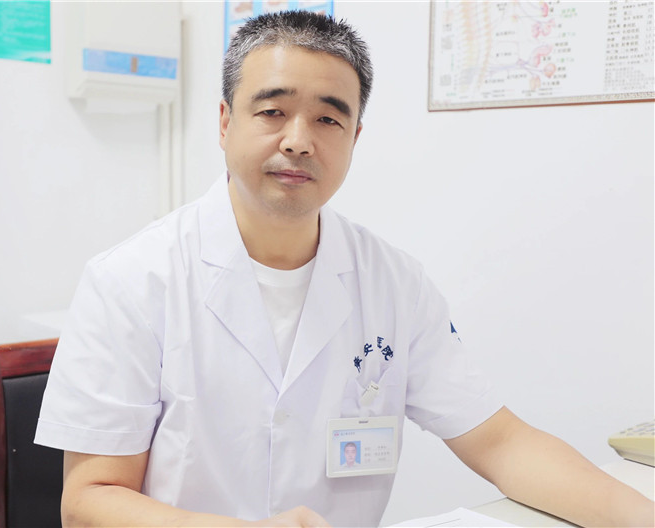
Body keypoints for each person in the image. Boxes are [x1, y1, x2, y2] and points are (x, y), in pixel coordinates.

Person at [35, 10, 654, 528]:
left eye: (328, 118)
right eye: (272, 111)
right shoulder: (130, 281)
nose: (298, 140)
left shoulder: (395, 284)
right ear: (225, 123)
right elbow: (88, 502)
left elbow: (502, 443)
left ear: (355, 137)